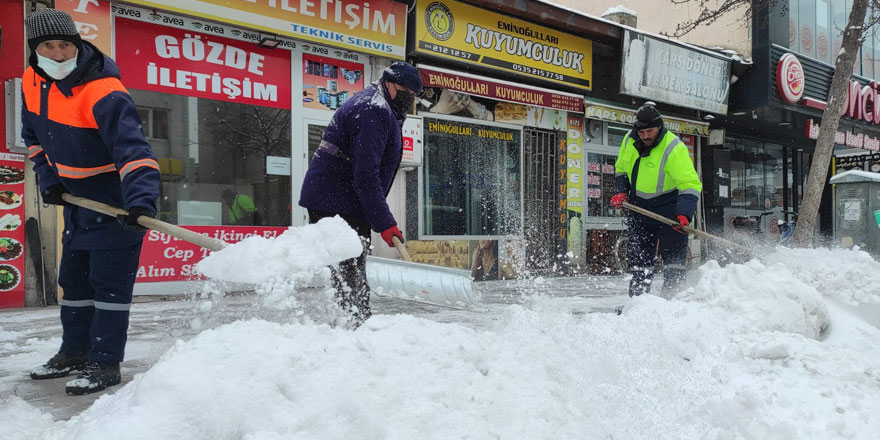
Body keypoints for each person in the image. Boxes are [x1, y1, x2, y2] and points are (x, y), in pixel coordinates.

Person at [22, 8, 160, 395]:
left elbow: (134, 152)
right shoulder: (33, 82)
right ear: (36, 50)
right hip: (77, 205)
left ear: (77, 44)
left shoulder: (105, 91)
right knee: (75, 283)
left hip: (115, 204)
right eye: (49, 46)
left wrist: (140, 202)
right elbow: (32, 137)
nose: (59, 54)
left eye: (65, 44)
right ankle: (74, 352)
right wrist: (49, 180)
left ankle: (104, 362)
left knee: (109, 288)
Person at [299, 62, 422, 329]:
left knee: (352, 269)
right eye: (407, 92)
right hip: (335, 201)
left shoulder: (383, 108)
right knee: (350, 270)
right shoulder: (373, 110)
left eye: (414, 96)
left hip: (344, 199)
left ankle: (354, 324)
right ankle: (355, 329)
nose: (410, 99)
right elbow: (366, 176)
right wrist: (386, 224)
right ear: (390, 84)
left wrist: (379, 220)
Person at [610, 103, 702, 296]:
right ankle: (638, 303)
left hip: (670, 211)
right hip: (639, 209)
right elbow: (621, 168)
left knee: (674, 263)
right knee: (638, 261)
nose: (645, 136)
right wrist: (621, 190)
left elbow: (690, 183)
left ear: (659, 126)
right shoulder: (629, 140)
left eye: (649, 131)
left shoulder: (673, 147)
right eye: (641, 132)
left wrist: (684, 213)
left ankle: (672, 302)